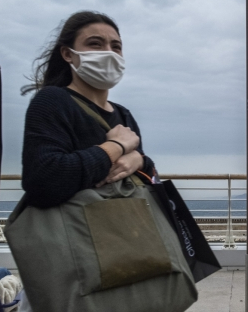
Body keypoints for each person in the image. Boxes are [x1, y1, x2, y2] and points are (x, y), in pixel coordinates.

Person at [20, 11, 156, 209]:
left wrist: (141, 161)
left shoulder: (123, 114)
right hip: (75, 234)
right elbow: (44, 181)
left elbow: (148, 179)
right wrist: (116, 146)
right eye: (95, 43)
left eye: (116, 46)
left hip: (124, 229)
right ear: (68, 54)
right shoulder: (53, 99)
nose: (108, 52)